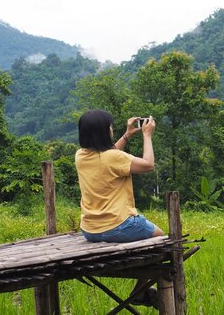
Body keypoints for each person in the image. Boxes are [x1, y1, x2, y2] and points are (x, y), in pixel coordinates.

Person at [75, 109, 163, 309]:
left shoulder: (80, 156)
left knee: (151, 235)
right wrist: (146, 136)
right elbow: (148, 165)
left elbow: (107, 155)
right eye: (111, 126)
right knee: (160, 237)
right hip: (118, 225)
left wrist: (127, 134)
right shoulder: (114, 158)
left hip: (89, 230)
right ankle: (140, 291)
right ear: (105, 131)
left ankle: (141, 289)